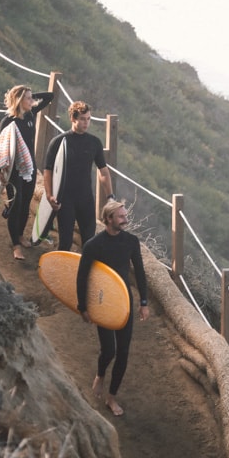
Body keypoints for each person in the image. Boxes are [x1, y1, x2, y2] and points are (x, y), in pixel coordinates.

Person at [76, 200, 149, 416]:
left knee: (124, 352)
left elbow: (141, 273)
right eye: (121, 216)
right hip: (103, 303)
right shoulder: (93, 245)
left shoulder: (131, 242)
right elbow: (82, 277)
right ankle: (100, 374)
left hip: (124, 301)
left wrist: (143, 302)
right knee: (109, 350)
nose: (125, 219)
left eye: (125, 215)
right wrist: (83, 307)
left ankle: (111, 397)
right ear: (108, 219)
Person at [43, 101, 114, 251]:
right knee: (65, 242)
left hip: (85, 199)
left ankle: (84, 273)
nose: (86, 123)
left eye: (88, 119)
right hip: (65, 199)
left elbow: (104, 171)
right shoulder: (59, 142)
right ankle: (61, 272)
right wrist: (50, 195)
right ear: (73, 119)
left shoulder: (94, 142)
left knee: (89, 242)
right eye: (82, 119)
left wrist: (110, 197)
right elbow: (48, 171)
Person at [0, 85, 54, 260]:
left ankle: (20, 234)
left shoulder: (30, 114)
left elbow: (49, 96)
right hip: (13, 170)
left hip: (29, 168)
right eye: (28, 98)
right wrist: (0, 171)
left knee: (25, 204)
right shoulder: (8, 121)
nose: (32, 101)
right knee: (16, 205)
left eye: (31, 98)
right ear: (19, 100)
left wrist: (29, 94)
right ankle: (16, 245)